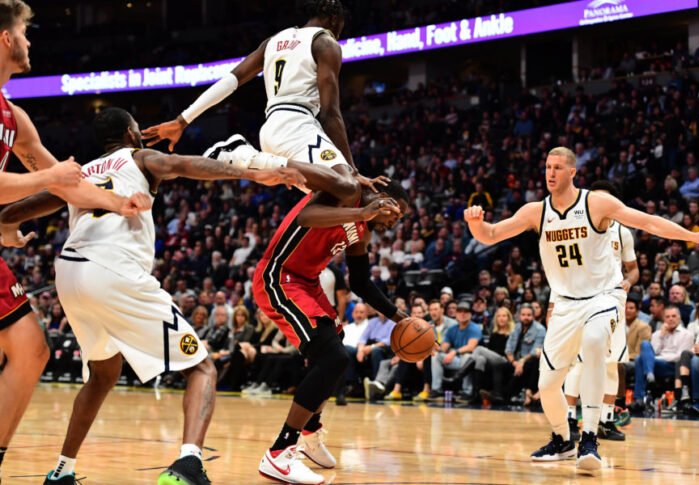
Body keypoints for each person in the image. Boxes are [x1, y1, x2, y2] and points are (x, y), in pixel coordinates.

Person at [0, 107, 305, 485]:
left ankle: (62, 470)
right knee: (202, 366)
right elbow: (181, 163)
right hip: (112, 269)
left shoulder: (80, 177)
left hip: (70, 275)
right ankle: (188, 466)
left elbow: (19, 208)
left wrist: (6, 226)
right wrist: (251, 172)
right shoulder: (139, 156)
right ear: (131, 133)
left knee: (102, 374)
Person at [464, 146, 699, 474]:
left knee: (596, 342)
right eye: (547, 167)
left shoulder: (595, 203)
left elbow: (647, 221)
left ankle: (589, 439)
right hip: (566, 303)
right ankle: (562, 439)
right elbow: (493, 234)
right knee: (547, 385)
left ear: (573, 172)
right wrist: (475, 225)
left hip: (603, 296)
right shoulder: (535, 211)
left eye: (557, 167)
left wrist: (692, 236)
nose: (550, 173)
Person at [0, 4, 154, 480]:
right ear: (6, 38)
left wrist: (119, 202)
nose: (30, 40)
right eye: (25, 31)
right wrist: (48, 176)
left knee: (30, 347)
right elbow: (52, 176)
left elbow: (68, 183)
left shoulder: (14, 117)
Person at [248, 168, 410, 484]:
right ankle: (279, 453)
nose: (395, 222)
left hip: (307, 283)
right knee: (333, 357)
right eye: (397, 213)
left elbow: (361, 282)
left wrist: (402, 318)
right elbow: (305, 217)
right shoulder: (347, 193)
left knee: (336, 354)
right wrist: (362, 209)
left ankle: (309, 433)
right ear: (382, 198)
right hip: (278, 277)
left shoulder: (362, 231)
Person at [142, 0, 382, 193]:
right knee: (348, 187)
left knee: (328, 195)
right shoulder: (326, 43)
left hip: (271, 129)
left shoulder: (273, 41)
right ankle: (241, 154)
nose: (339, 33)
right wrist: (352, 169)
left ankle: (257, 160)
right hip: (297, 126)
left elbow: (231, 80)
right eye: (340, 27)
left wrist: (183, 119)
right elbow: (331, 113)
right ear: (334, 18)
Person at [564, 181, 639, 442]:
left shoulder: (622, 232)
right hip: (584, 300)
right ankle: (570, 418)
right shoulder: (577, 229)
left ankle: (606, 421)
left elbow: (633, 268)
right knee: (579, 363)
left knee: (612, 364)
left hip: (613, 301)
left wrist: (628, 281)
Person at [630, 306, 694, 411]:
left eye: (673, 316)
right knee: (645, 346)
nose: (670, 319)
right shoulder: (657, 334)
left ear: (679, 317)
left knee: (640, 359)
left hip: (673, 366)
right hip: (655, 364)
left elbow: (680, 357)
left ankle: (639, 398)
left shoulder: (687, 335)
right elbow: (652, 352)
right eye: (667, 317)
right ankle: (649, 375)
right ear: (664, 319)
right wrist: (661, 337)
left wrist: (661, 358)